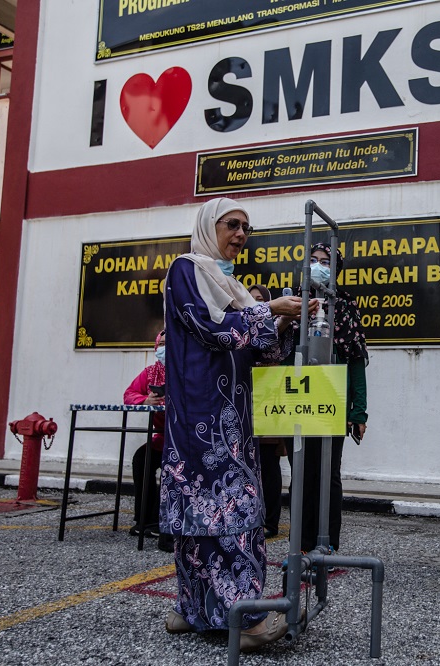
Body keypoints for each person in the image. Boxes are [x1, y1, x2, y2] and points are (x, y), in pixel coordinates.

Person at [160, 197, 315, 649]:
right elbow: (213, 329)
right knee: (225, 512)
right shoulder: (187, 269)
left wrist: (286, 320)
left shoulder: (230, 284)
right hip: (200, 416)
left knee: (213, 513)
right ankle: (241, 621)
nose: (242, 234)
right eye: (233, 224)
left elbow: (256, 349)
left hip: (232, 416)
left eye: (247, 227)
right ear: (211, 226)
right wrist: (272, 311)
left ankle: (197, 611)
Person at [289, 242, 369, 554]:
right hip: (297, 398)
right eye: (313, 260)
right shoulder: (293, 304)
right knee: (302, 472)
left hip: (332, 399)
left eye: (326, 262)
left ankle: (327, 544)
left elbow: (356, 361)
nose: (319, 266)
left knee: (327, 474)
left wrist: (359, 412)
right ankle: (301, 545)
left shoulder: (345, 309)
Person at [248, 284, 286, 539]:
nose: (255, 304)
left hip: (269, 397)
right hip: (245, 398)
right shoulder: (241, 328)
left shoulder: (279, 328)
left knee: (269, 464)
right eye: (250, 301)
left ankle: (270, 521)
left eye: (260, 300)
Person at [123, 330, 165, 538]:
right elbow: (129, 394)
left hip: (185, 439)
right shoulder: (150, 373)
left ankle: (166, 522)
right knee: (142, 460)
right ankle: (145, 519)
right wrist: (145, 401)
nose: (164, 349)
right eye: (162, 344)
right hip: (162, 438)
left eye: (170, 344)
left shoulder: (187, 370)